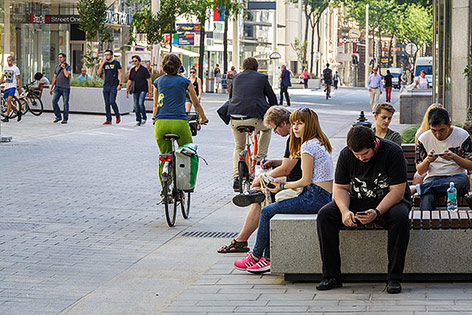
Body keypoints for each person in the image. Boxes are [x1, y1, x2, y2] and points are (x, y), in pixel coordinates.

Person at [233, 107, 334, 273]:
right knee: (270, 207)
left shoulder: (307, 146)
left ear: (309, 124)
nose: (295, 127)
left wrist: (282, 186)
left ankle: (259, 257)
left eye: (300, 123)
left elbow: (305, 180)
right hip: (321, 195)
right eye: (294, 123)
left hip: (315, 197)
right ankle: (263, 257)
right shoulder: (317, 141)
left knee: (267, 211)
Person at [316, 125, 410, 294]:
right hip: (356, 200)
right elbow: (340, 189)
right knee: (325, 215)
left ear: (374, 145)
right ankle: (331, 276)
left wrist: (377, 212)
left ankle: (394, 278)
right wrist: (344, 211)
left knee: (400, 217)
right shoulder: (346, 154)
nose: (360, 158)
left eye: (365, 154)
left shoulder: (393, 152)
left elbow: (397, 192)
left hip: (388, 203)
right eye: (356, 154)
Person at [218, 106, 302, 253]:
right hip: (296, 182)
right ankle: (242, 241)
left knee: (260, 195)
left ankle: (250, 247)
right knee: (259, 194)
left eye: (274, 128)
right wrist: (273, 162)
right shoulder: (295, 137)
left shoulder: (294, 138)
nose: (275, 132)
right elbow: (291, 163)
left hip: (298, 187)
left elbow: (286, 169)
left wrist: (262, 178)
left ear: (283, 123)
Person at [152, 54, 208, 202]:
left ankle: (165, 191)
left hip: (161, 124)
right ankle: (185, 186)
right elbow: (196, 104)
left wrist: (153, 118)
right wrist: (204, 118)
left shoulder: (157, 82)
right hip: (179, 123)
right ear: (179, 67)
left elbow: (156, 105)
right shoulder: (185, 81)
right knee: (188, 153)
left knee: (164, 156)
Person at [224, 57, 277, 191]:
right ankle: (260, 160)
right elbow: (272, 98)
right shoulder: (262, 78)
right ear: (256, 67)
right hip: (255, 118)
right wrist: (273, 112)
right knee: (267, 129)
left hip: (235, 118)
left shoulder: (235, 78)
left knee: (238, 146)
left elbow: (231, 98)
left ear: (243, 67)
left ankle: (236, 176)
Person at [415, 107, 472, 210]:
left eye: (441, 130)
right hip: (434, 177)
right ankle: (426, 224)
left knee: (463, 181)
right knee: (427, 196)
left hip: (457, 177)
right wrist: (427, 160)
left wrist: (454, 157)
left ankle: (422, 188)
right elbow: (420, 170)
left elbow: (470, 165)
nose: (438, 135)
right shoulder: (423, 138)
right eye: (434, 131)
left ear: (449, 124)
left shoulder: (462, 135)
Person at [98, 50, 122, 125]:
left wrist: (120, 84)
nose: (107, 56)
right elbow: (99, 73)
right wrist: (102, 63)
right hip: (106, 85)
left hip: (113, 85)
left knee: (112, 101)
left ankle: (117, 114)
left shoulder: (116, 63)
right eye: (105, 55)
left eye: (108, 55)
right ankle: (108, 119)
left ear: (111, 55)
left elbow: (120, 74)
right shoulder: (104, 64)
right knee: (107, 103)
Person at [126, 55, 151, 126]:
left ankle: (144, 117)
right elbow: (129, 80)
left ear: (139, 61)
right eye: (133, 61)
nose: (134, 62)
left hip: (143, 89)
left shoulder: (144, 69)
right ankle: (138, 120)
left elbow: (149, 80)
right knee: (136, 106)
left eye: (135, 61)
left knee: (140, 103)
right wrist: (127, 91)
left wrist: (150, 91)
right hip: (135, 90)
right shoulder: (133, 70)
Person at [50, 53, 72, 124]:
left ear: (64, 58)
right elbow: (55, 77)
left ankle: (65, 118)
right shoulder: (57, 67)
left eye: (61, 57)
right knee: (54, 101)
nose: (60, 59)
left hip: (65, 88)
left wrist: (64, 68)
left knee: (65, 103)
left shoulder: (68, 67)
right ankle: (58, 116)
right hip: (57, 87)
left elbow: (66, 75)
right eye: (59, 57)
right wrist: (51, 87)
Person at [0, 56, 22, 122]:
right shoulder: (5, 68)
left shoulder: (16, 69)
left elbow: (18, 79)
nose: (9, 62)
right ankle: (18, 112)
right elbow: (3, 77)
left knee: (9, 100)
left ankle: (7, 117)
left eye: (10, 60)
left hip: (12, 86)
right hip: (6, 86)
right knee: (9, 103)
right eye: (8, 60)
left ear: (13, 61)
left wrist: (19, 88)